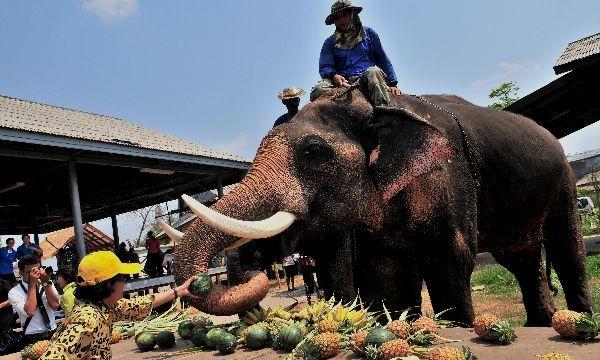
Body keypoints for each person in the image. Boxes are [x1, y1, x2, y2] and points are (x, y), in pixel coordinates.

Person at [39, 251, 198, 359]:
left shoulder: (106, 306)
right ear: (108, 285)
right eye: (122, 278)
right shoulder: (87, 320)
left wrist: (179, 291)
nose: (126, 282)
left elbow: (141, 304)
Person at [310, 0, 401, 113]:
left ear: (352, 15)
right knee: (317, 90)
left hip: (366, 78)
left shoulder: (369, 34)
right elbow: (325, 67)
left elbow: (382, 59)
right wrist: (334, 76)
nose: (341, 20)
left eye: (344, 15)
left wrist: (393, 84)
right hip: (344, 83)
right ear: (334, 21)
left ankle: (384, 115)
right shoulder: (329, 43)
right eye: (337, 18)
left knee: (373, 71)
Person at [8, 256, 59, 345]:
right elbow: (30, 311)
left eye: (37, 269)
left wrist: (46, 283)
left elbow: (55, 305)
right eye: (29, 272)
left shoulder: (47, 282)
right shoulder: (14, 292)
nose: (35, 274)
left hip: (53, 332)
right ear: (21, 273)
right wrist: (32, 284)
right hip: (32, 337)